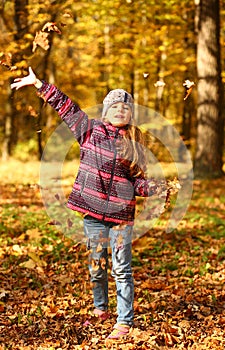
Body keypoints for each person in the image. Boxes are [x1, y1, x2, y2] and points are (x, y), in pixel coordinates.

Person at [11, 67, 168, 342]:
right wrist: (39, 84)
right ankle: (100, 308)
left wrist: (156, 188)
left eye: (125, 107)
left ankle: (124, 321)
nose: (120, 110)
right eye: (115, 106)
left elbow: (137, 184)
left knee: (121, 268)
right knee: (97, 265)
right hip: (93, 214)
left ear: (130, 114)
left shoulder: (134, 144)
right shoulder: (89, 131)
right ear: (105, 111)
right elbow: (67, 108)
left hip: (121, 216)